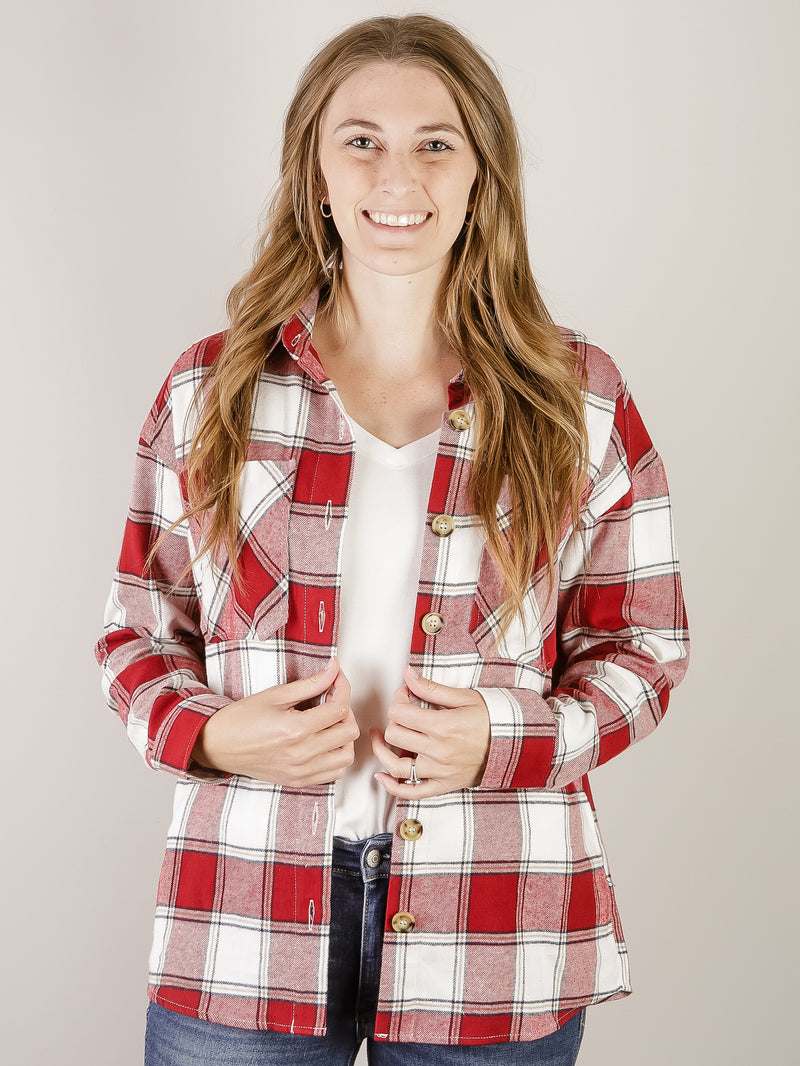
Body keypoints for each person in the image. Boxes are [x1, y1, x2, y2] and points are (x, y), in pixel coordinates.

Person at [96, 14, 689, 1066]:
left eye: (435, 142)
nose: (396, 173)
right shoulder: (211, 388)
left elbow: (643, 650)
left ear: (479, 174)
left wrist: (502, 741)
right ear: (314, 171)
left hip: (495, 907)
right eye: (359, 139)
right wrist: (216, 736)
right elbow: (137, 634)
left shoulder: (579, 398)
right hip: (245, 907)